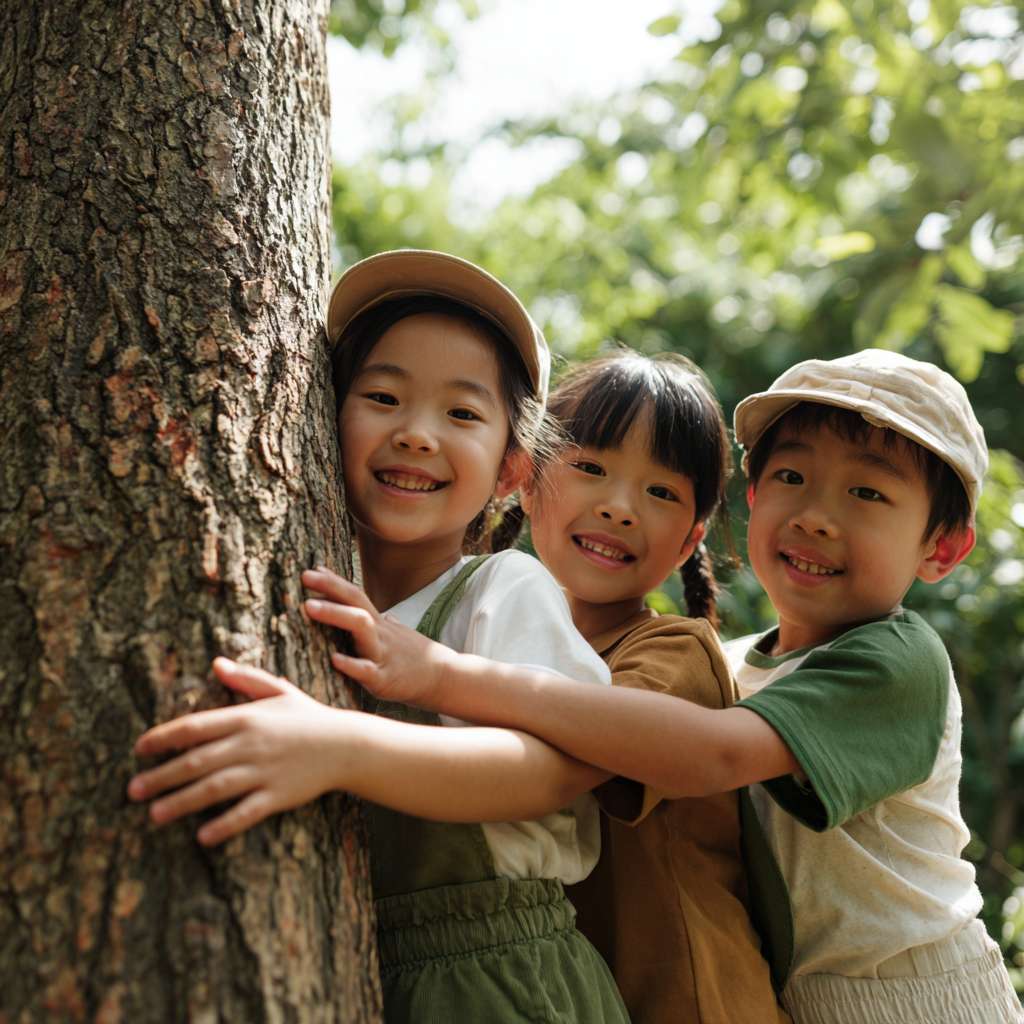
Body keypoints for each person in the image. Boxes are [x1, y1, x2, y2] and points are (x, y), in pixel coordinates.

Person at [321, 348, 1022, 1024]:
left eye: (866, 492)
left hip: (915, 992)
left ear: (943, 548)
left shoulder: (893, 658)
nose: (814, 514)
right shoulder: (740, 661)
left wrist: (439, 675)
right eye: (793, 479)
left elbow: (705, 751)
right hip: (785, 993)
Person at [128, 250, 629, 1024]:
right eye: (383, 396)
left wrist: (337, 748)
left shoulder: (500, 588)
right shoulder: (302, 577)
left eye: (462, 414)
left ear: (510, 473)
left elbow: (559, 769)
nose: (418, 434)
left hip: (495, 980)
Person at [311, 350, 786, 1022]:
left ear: (688, 543)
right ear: (527, 482)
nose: (620, 507)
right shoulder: (498, 620)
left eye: (660, 493)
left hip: (687, 1001)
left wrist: (434, 675)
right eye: (591, 468)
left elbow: (592, 745)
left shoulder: (674, 651)